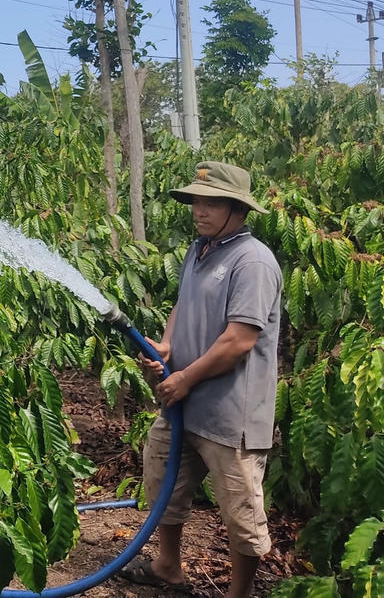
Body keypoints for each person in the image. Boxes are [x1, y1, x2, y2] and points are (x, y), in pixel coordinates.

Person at [121, 161, 282, 598]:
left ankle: (239, 593)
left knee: (240, 511)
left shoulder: (252, 262)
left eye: (211, 203)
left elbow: (239, 340)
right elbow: (183, 304)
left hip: (231, 413)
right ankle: (168, 566)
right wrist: (169, 346)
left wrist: (186, 378)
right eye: (196, 200)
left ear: (237, 208)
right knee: (161, 483)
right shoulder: (200, 250)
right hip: (184, 404)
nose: (199, 210)